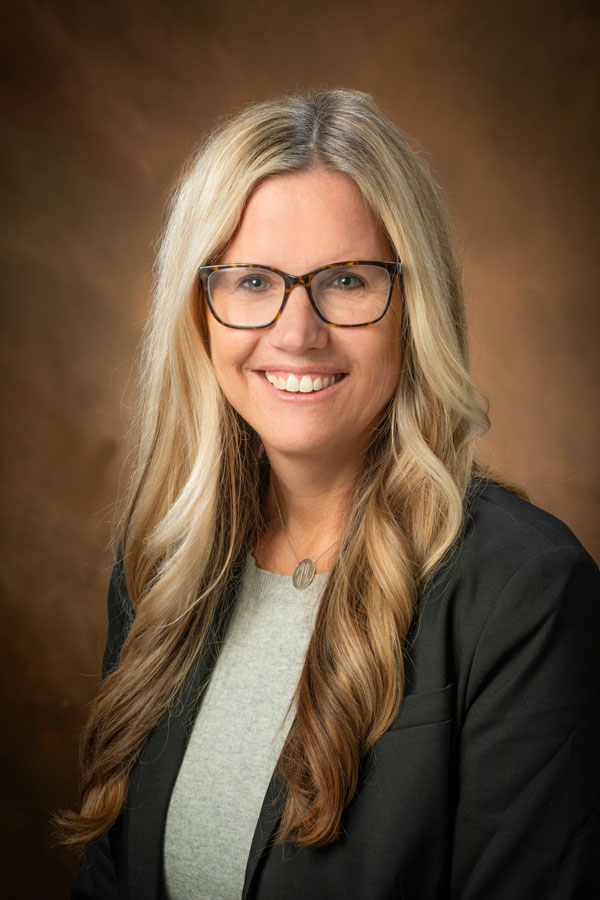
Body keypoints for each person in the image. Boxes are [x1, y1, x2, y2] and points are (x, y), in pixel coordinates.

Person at [59, 89, 600, 899]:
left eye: (346, 279)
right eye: (251, 281)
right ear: (198, 311)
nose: (296, 331)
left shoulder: (527, 592)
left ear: (415, 307)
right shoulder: (162, 567)